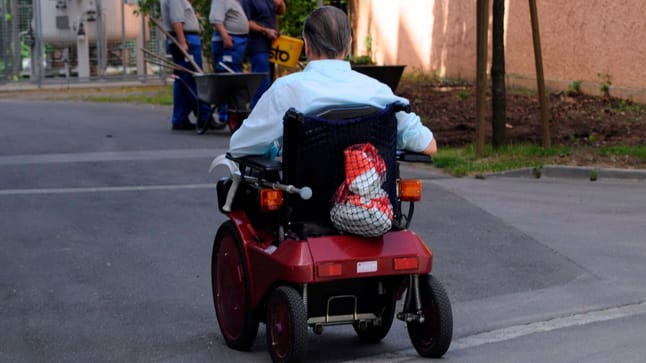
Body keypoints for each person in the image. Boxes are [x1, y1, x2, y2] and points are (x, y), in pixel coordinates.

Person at [228, 6, 437, 158]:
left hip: (303, 205)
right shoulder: (378, 92)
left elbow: (241, 146)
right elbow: (428, 146)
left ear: (307, 46)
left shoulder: (286, 89)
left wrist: (274, 148)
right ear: (349, 45)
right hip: (368, 208)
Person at [160, 0, 212, 131]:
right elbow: (176, 19)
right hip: (186, 39)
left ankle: (180, 118)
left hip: (184, 38)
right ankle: (204, 117)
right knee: (192, 79)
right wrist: (183, 42)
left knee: (182, 80)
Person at [209, 0, 249, 126]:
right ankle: (225, 114)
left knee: (234, 77)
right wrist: (225, 36)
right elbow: (216, 20)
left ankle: (233, 112)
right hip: (228, 42)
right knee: (227, 77)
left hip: (237, 41)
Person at [241, 0, 286, 108]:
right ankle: (254, 114)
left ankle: (264, 114)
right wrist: (265, 30)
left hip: (272, 46)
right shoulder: (247, 1)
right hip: (258, 46)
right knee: (261, 83)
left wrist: (280, 4)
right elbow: (246, 22)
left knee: (269, 82)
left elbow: (280, 12)